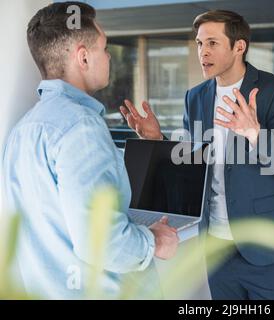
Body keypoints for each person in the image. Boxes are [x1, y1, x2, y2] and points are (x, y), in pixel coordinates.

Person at [120, 10, 274, 300]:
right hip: (216, 248)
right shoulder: (195, 97)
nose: (202, 52)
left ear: (239, 46)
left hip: (267, 249)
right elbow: (192, 164)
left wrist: (255, 134)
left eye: (212, 43)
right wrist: (157, 140)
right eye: (198, 44)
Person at [2, 2, 178, 299]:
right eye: (104, 48)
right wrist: (155, 242)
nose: (109, 56)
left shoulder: (24, 131)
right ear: (83, 57)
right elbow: (102, 242)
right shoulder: (81, 127)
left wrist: (151, 144)